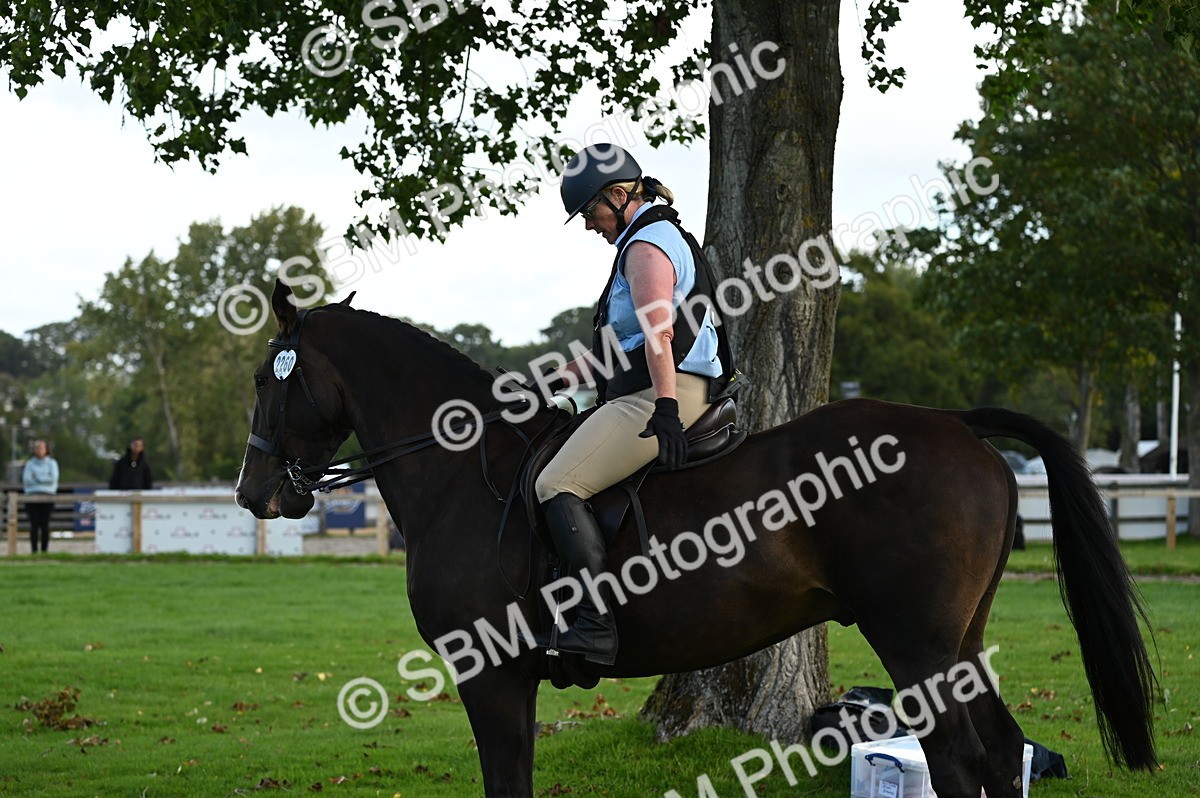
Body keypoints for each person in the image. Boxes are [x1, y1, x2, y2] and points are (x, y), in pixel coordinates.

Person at [532, 144, 734, 665]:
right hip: (650, 385)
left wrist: (665, 407)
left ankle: (595, 626)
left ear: (619, 196)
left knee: (556, 484)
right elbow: (614, 351)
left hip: (667, 391)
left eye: (590, 213)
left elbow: (658, 335)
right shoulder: (646, 240)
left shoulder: (647, 247)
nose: (588, 226)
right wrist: (548, 381)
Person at [22, 439, 59, 554]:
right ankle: (34, 551)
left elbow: (53, 479)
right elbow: (27, 480)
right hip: (32, 496)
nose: (39, 450)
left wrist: (37, 478)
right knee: (34, 525)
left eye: (42, 448)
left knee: (45, 525)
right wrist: (44, 478)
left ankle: (44, 550)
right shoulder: (29, 464)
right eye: (37, 448)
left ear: (46, 449)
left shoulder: (52, 463)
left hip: (47, 496)